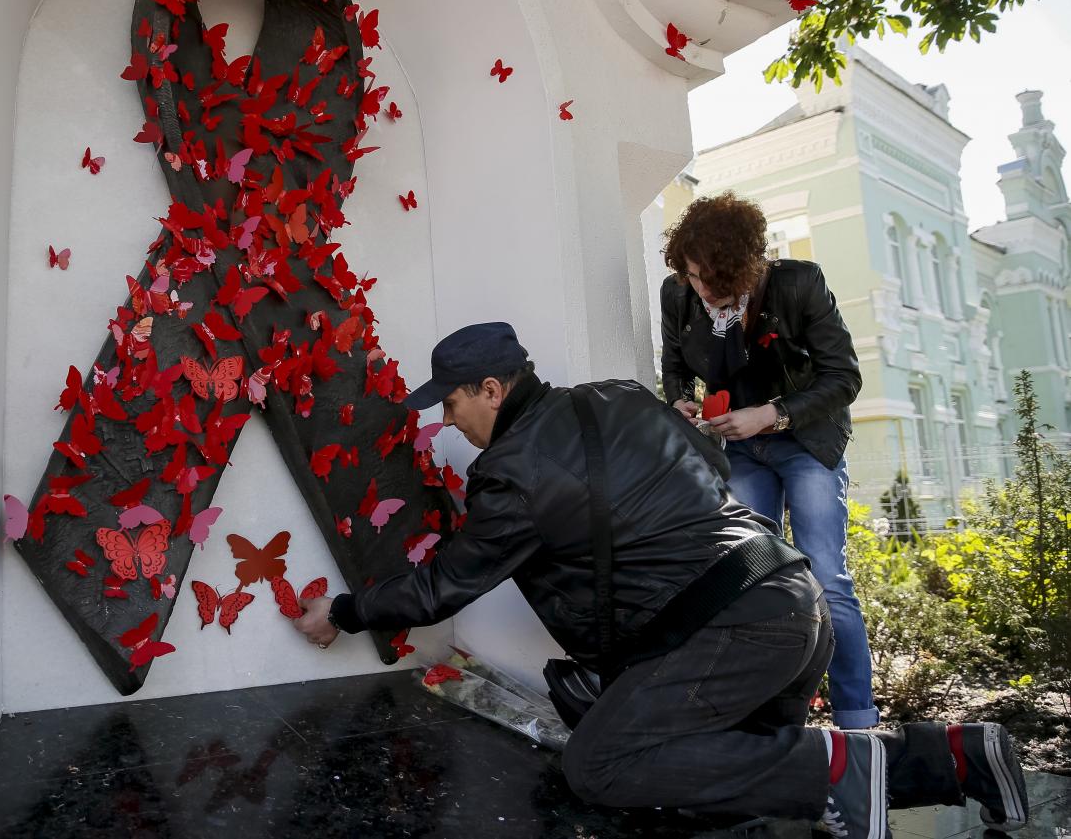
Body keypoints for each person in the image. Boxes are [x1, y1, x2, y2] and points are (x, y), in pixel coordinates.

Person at [293, 322, 1029, 837]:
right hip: (792, 602)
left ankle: (836, 766)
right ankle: (963, 755)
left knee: (600, 764)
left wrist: (347, 610)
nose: (447, 421)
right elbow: (709, 471)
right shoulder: (620, 395)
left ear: (491, 388)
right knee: (735, 766)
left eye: (450, 402)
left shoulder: (511, 472)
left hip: (732, 632)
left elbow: (439, 589)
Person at [659, 192, 879, 731]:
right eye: (692, 274)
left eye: (711, 278)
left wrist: (773, 415)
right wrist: (679, 402)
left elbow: (844, 378)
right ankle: (773, 720)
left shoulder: (799, 284)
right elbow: (674, 366)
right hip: (740, 452)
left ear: (744, 266)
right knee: (753, 583)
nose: (701, 289)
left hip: (807, 445)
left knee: (825, 576)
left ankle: (857, 722)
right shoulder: (679, 294)